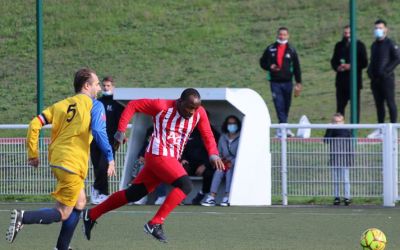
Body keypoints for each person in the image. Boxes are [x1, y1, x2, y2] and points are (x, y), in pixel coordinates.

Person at [82, 88, 225, 243]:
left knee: (133, 194)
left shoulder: (199, 112)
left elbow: (207, 134)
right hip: (158, 154)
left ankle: (91, 215)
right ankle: (155, 223)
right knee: (185, 185)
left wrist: (213, 153)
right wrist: (121, 130)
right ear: (179, 101)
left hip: (169, 158)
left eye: (195, 108)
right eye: (189, 107)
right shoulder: (161, 105)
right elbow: (133, 105)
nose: (192, 112)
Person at [5, 68, 115, 250]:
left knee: (80, 201)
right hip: (72, 163)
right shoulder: (95, 105)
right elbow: (98, 130)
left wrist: (33, 153)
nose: (99, 88)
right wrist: (110, 157)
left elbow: (35, 123)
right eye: (96, 84)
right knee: (62, 212)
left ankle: (62, 247)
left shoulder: (62, 104)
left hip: (57, 160)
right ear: (87, 86)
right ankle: (23, 217)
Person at [259, 26, 302, 137]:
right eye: (280, 34)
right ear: (277, 35)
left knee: (287, 104)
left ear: (288, 35)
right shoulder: (271, 48)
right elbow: (262, 62)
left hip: (288, 82)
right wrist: (270, 66)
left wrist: (298, 82)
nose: (282, 36)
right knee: (279, 104)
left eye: (284, 34)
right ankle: (282, 128)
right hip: (275, 82)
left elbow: (297, 67)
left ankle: (283, 127)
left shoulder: (291, 50)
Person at [90, 76, 124, 205]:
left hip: (109, 141)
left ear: (113, 87)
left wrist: (121, 137)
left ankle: (97, 189)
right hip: (94, 140)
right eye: (104, 85)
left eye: (108, 86)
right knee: (97, 167)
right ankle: (102, 193)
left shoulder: (117, 104)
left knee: (104, 166)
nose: (105, 88)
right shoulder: (96, 102)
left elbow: (122, 123)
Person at [367, 19, 400, 138]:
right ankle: (380, 129)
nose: (378, 30)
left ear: (386, 29)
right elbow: (372, 61)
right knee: (379, 104)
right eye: (376, 28)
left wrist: (386, 71)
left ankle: (393, 129)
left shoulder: (391, 43)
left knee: (390, 102)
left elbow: (397, 58)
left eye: (380, 28)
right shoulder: (374, 45)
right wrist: (369, 72)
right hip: (375, 80)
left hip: (387, 79)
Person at [330, 25, 368, 122]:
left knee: (355, 107)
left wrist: (351, 66)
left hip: (354, 82)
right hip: (341, 82)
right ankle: (340, 128)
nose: (347, 35)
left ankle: (354, 129)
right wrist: (337, 67)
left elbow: (364, 62)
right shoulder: (339, 45)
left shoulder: (359, 45)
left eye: (349, 33)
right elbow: (333, 61)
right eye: (345, 33)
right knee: (340, 107)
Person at [202, 115, 241, 207]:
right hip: (225, 162)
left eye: (234, 123)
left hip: (235, 164)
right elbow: (218, 152)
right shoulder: (223, 137)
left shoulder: (241, 137)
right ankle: (212, 197)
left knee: (229, 171)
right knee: (219, 170)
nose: (232, 125)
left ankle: (228, 196)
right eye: (229, 123)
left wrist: (232, 162)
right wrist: (220, 161)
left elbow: (241, 154)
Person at [181, 126, 220, 205]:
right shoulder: (188, 130)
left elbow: (215, 151)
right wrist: (182, 159)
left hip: (205, 164)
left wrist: (205, 165)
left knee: (209, 174)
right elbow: (180, 146)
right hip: (189, 163)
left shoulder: (213, 132)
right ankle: (180, 197)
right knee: (181, 171)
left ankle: (202, 194)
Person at [323, 113, 353, 206]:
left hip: (344, 158)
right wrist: (330, 129)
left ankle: (347, 197)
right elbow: (326, 140)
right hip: (334, 158)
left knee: (345, 179)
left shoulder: (346, 130)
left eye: (339, 121)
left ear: (343, 122)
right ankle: (336, 197)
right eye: (335, 122)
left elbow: (350, 146)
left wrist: (350, 158)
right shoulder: (331, 130)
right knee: (335, 179)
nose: (337, 124)